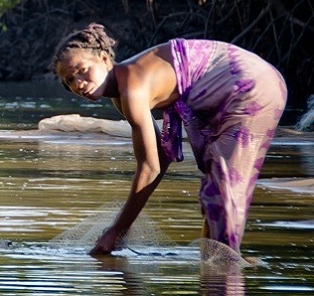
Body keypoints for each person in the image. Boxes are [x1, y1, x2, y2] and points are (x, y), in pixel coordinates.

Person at [52, 23, 286, 256]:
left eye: (82, 70)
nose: (78, 83)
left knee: (223, 194)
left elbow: (150, 167)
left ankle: (225, 272)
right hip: (234, 88)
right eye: (69, 81)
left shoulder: (132, 87)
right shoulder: (121, 95)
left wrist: (117, 229)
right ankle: (216, 267)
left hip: (250, 86)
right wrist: (121, 228)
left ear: (104, 58)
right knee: (213, 195)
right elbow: (160, 157)